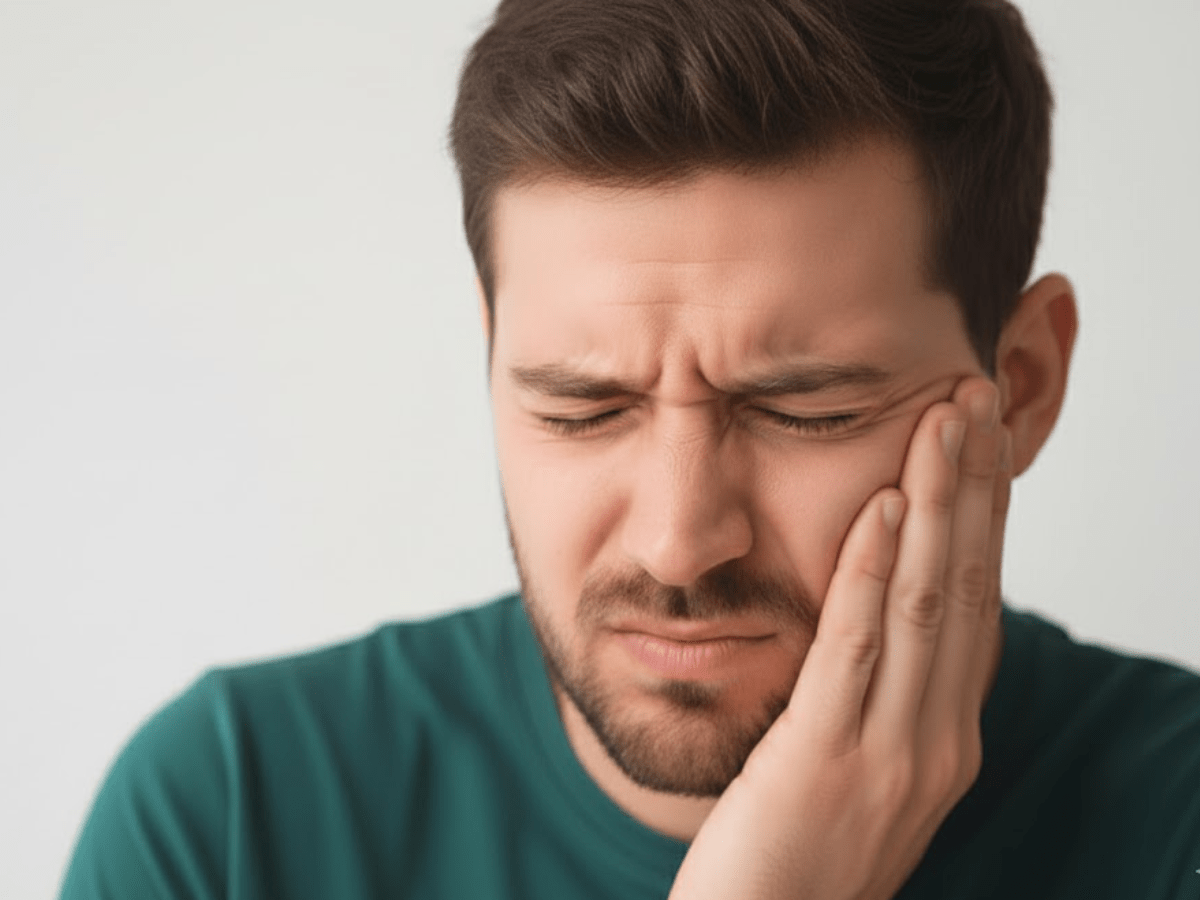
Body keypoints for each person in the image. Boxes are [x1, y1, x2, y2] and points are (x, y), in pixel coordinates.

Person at [59, 1, 1200, 898]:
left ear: (1025, 385)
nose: (676, 542)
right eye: (581, 407)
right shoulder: (233, 817)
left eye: (804, 409)